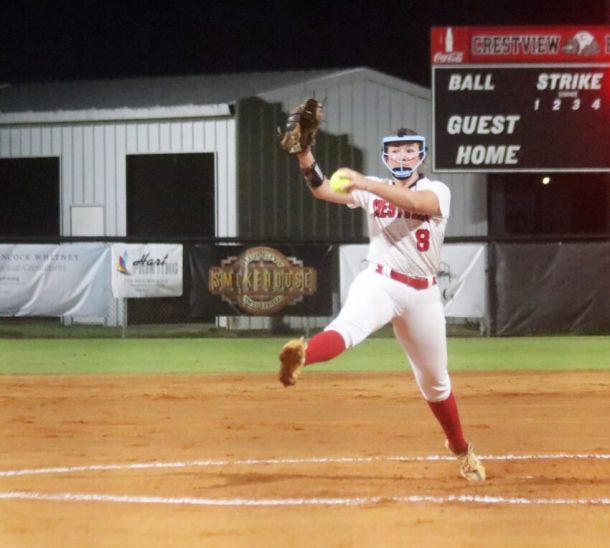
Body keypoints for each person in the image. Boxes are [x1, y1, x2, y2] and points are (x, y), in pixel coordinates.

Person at [278, 128, 486, 481]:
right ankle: (301, 355)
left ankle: (460, 447)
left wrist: (365, 184)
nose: (402, 157)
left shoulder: (437, 190)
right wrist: (303, 153)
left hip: (423, 295)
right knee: (346, 329)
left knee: (435, 382)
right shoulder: (372, 186)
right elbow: (322, 189)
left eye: (409, 151)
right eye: (396, 151)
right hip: (381, 281)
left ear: (421, 155)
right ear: (386, 156)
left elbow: (416, 204)